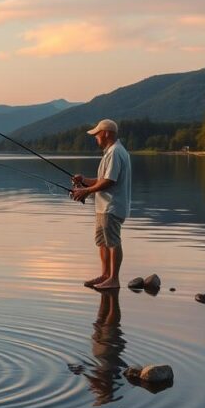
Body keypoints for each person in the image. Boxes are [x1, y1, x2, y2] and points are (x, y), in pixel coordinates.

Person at [70, 119, 131, 289]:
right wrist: (84, 181)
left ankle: (114, 279)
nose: (95, 138)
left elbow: (110, 181)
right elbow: (101, 180)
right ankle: (105, 275)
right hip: (103, 207)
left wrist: (86, 191)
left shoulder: (115, 152)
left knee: (113, 242)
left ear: (105, 133)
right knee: (102, 242)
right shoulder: (111, 152)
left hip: (112, 206)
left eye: (97, 134)